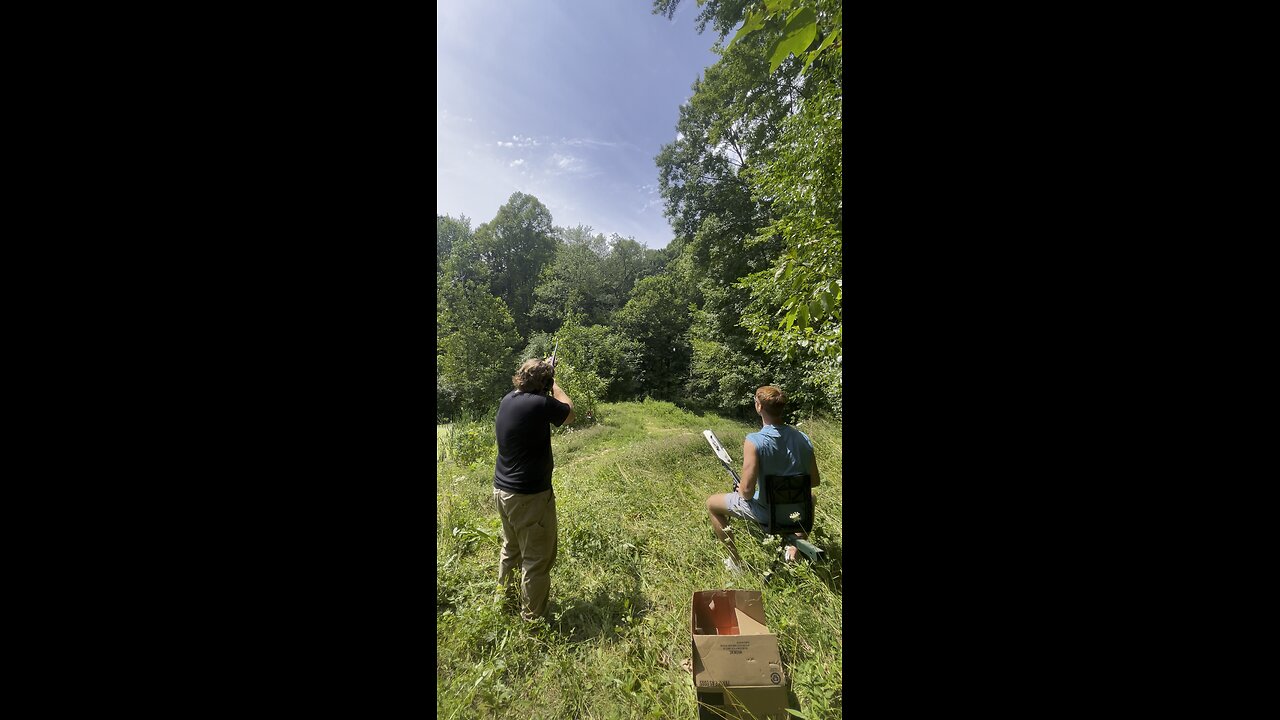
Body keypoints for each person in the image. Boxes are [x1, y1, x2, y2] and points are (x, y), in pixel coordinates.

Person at [493, 357, 575, 621]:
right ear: (544, 384)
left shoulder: (509, 399)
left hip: (503, 492)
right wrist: (555, 384)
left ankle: (503, 604)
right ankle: (532, 621)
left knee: (511, 550)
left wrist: (543, 369)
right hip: (529, 497)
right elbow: (569, 412)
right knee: (536, 561)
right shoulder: (540, 403)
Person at [706, 385, 820, 571]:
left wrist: (741, 489)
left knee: (712, 504)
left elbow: (747, 492)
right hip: (799, 511)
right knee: (812, 498)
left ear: (759, 406)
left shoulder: (754, 440)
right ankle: (794, 547)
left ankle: (736, 562)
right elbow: (814, 481)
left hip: (769, 513)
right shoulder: (803, 438)